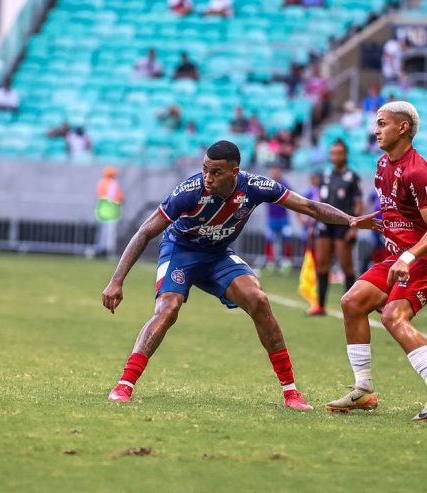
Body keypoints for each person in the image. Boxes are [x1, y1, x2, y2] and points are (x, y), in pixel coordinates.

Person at [101, 140, 371, 409]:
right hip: (180, 252)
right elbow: (145, 231)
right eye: (205, 169)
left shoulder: (256, 186)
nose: (208, 177)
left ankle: (291, 393)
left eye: (216, 172)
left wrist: (351, 220)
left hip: (217, 255)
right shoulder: (189, 191)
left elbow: (310, 207)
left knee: (258, 300)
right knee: (167, 309)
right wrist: (116, 280)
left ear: (234, 171)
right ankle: (124, 384)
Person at [325, 101, 427, 422]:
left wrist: (410, 256)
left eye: (382, 124)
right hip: (399, 257)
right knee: (352, 302)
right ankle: (364, 390)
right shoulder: (384, 164)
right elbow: (398, 209)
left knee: (393, 318)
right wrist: (375, 219)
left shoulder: (417, 171)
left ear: (403, 128)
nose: (376, 131)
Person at [310, 139, 363, 316]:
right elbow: (319, 203)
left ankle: (351, 306)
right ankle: (320, 305)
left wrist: (354, 227)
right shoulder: (325, 175)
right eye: (333, 153)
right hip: (324, 225)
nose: (335, 156)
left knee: (346, 266)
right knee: (322, 264)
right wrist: (313, 223)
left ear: (346, 155)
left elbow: (358, 204)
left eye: (339, 153)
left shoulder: (352, 177)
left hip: (343, 225)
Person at [263, 165, 294, 273]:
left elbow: (293, 198)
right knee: (269, 239)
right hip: (271, 219)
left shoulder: (284, 184)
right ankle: (270, 262)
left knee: (287, 238)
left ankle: (287, 262)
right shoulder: (267, 184)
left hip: (283, 219)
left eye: (276, 169)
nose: (274, 172)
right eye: (272, 170)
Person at [95, 167, 124, 258]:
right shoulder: (113, 184)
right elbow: (119, 198)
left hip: (102, 212)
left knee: (102, 234)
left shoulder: (101, 182)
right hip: (112, 212)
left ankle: (100, 251)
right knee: (110, 235)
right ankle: (108, 253)